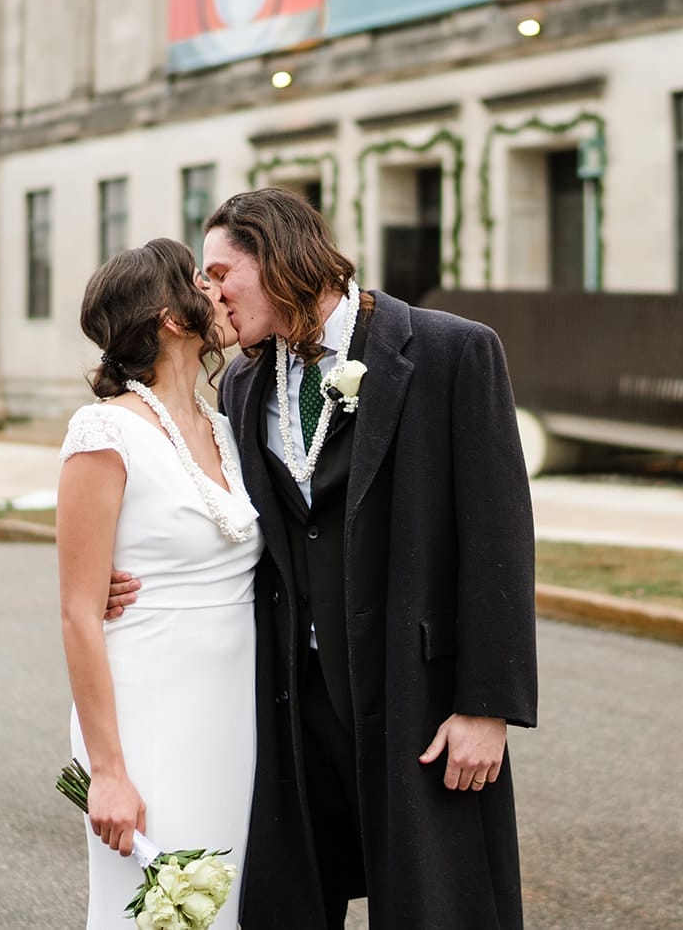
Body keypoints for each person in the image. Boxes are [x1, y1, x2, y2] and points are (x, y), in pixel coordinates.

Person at [110, 188, 538, 928]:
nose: (207, 294)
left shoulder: (450, 352)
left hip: (418, 699)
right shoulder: (243, 384)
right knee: (292, 906)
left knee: (436, 907)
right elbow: (231, 521)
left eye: (219, 272)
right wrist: (133, 581)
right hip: (291, 709)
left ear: (278, 261)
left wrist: (487, 705)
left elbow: (499, 538)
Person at [59, 238, 263, 930]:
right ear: (172, 318)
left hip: (231, 724)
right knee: (154, 916)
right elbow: (79, 613)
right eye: (202, 281)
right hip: (145, 727)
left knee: (220, 909)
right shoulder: (104, 431)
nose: (218, 291)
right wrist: (110, 772)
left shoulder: (227, 424)